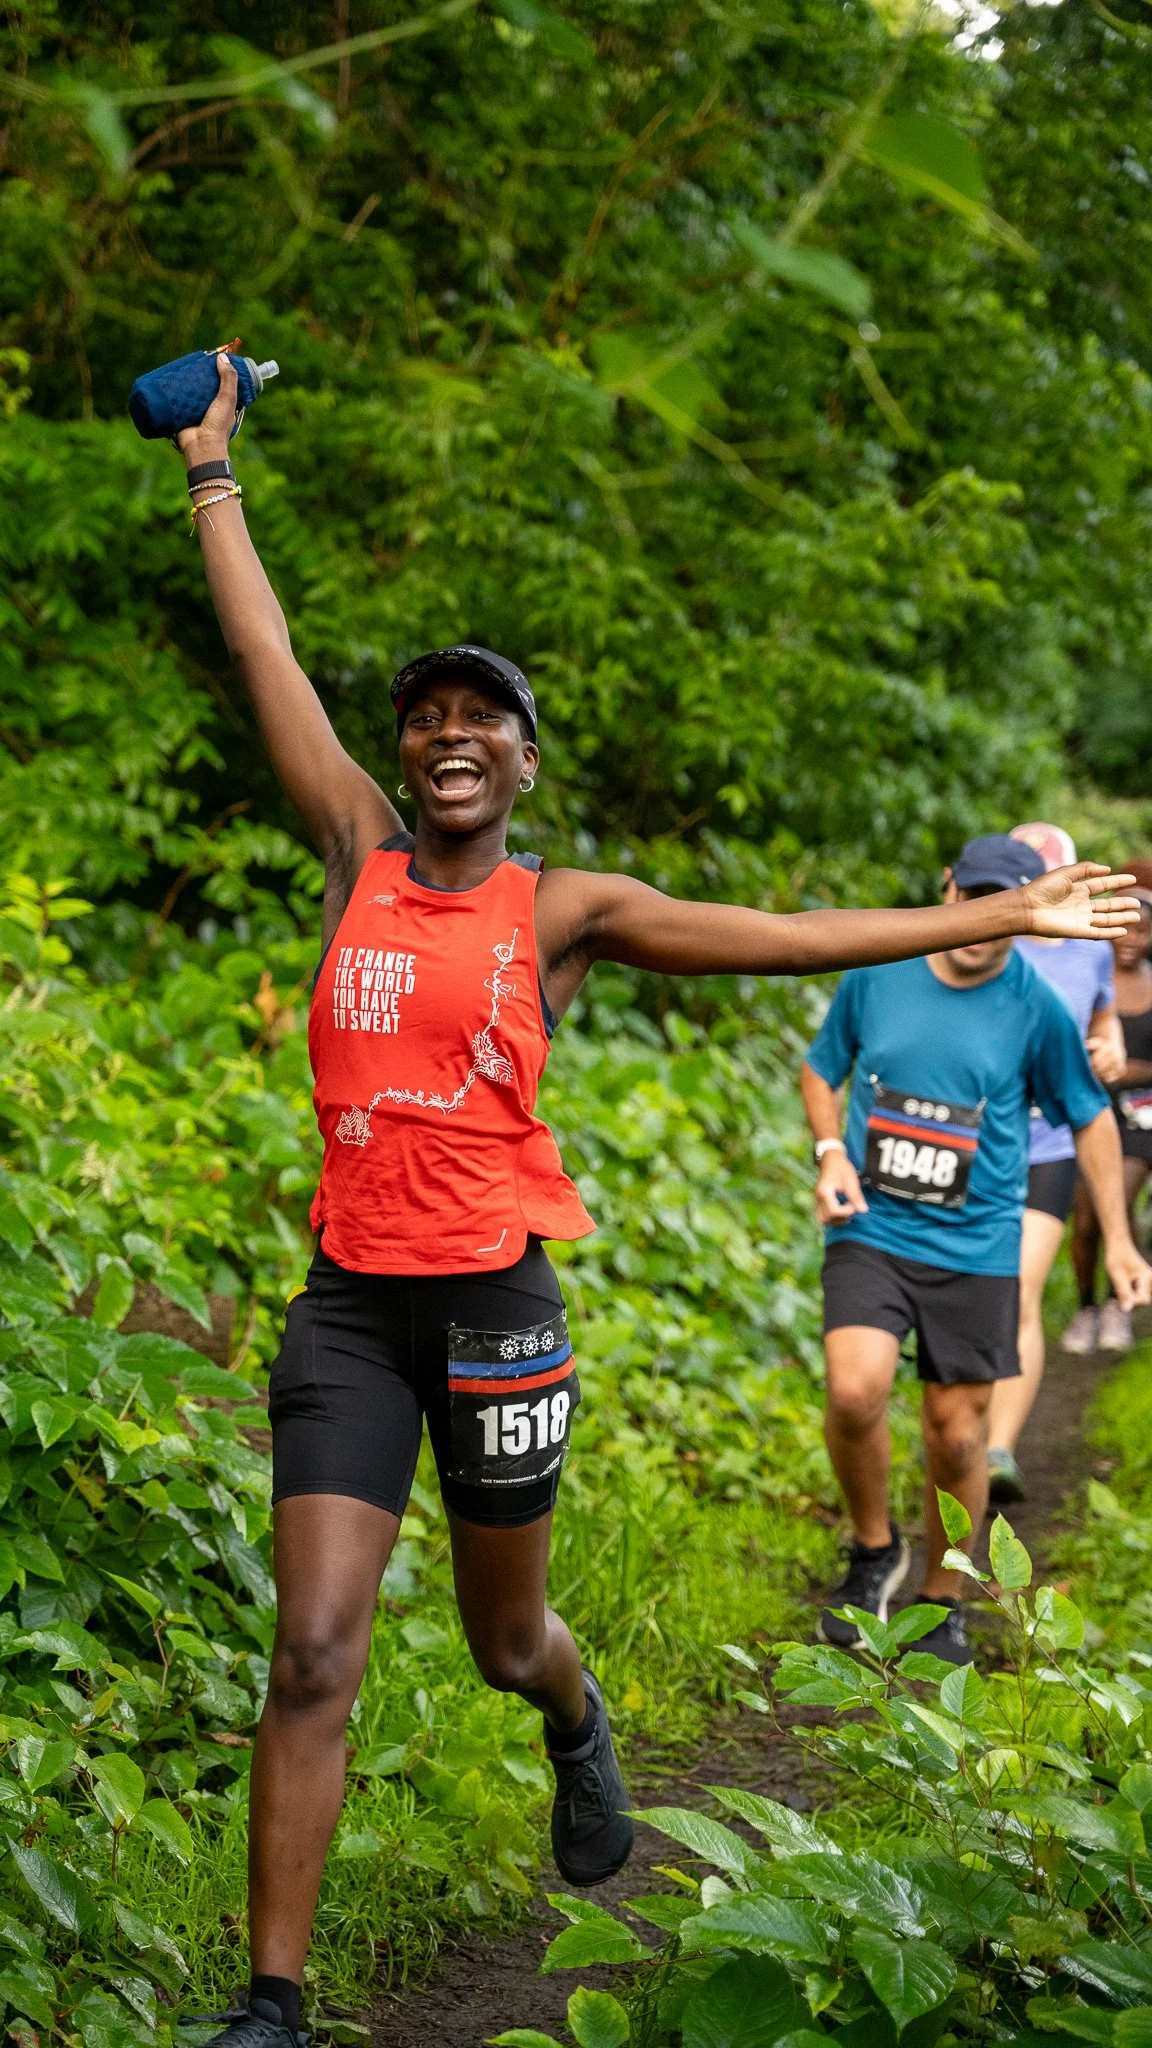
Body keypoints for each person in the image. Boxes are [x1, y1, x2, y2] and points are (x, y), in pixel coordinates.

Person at [177, 357, 1143, 2048]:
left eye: (482, 718)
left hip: (495, 1310)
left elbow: (787, 938)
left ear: (524, 762)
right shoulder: (355, 854)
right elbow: (264, 652)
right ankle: (272, 2004)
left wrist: (1003, 916)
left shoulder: (566, 910)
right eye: (427, 715)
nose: (449, 733)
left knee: (503, 1641)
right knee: (315, 1649)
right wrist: (211, 470)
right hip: (349, 1306)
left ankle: (574, 1717)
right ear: (403, 751)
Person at [801, 833, 1152, 1668]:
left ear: (1026, 915)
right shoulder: (879, 970)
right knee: (854, 1390)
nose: (984, 922)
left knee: (958, 1434)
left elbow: (1090, 1117)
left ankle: (941, 1598)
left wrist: (1119, 1240)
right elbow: (822, 1069)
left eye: (1006, 907)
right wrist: (831, 1152)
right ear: (948, 888)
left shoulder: (1036, 1005)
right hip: (873, 1225)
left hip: (977, 1242)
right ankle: (873, 1550)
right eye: (975, 898)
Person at [984, 824, 1126, 1503]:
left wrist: (1110, 1048)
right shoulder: (988, 939)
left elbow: (1103, 1021)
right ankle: (959, 1427)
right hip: (975, 1144)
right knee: (979, 1293)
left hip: (1050, 1142)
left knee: (1019, 1292)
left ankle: (997, 1448)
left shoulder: (1091, 949)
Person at [1065, 888, 1152, 1355]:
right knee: (1083, 1221)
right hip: (1088, 1110)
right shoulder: (1085, 978)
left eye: (1142, 930)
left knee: (1117, 1199)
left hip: (1142, 1119)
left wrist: (1134, 1070)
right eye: (1124, 929)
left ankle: (1121, 1302)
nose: (1131, 939)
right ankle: (1086, 1307)